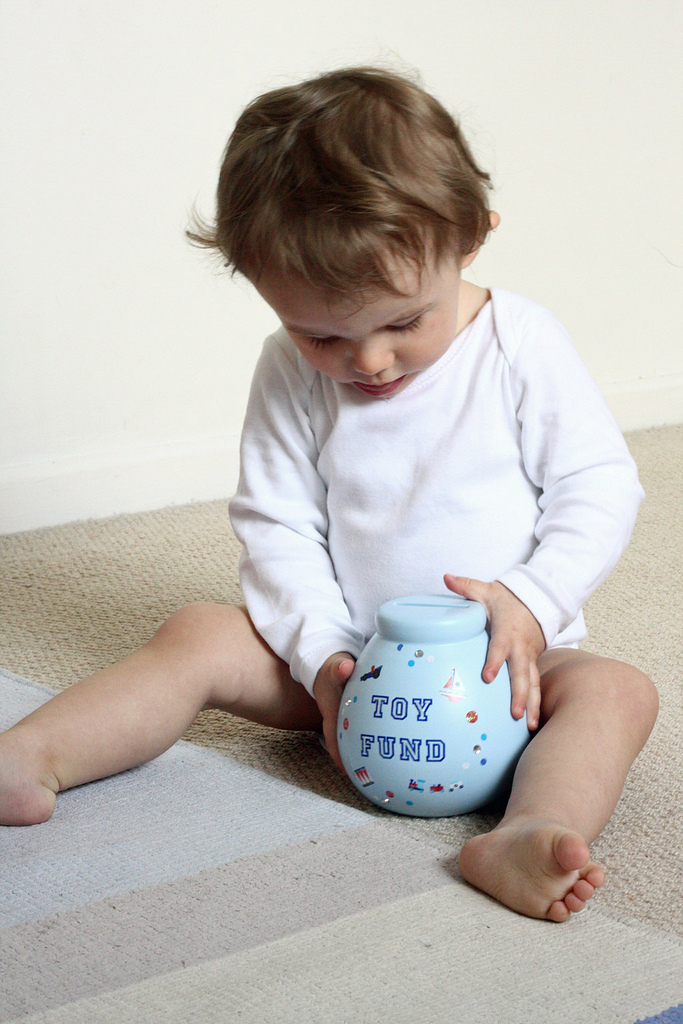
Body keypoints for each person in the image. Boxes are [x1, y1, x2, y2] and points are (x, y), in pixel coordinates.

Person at [0, 67, 658, 923]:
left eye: (402, 322)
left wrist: (530, 604)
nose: (369, 362)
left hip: (505, 677)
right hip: (343, 670)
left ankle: (528, 826)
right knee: (198, 631)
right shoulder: (286, 372)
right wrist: (322, 661)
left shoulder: (518, 344)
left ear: (471, 238)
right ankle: (33, 754)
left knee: (617, 692)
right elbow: (277, 525)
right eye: (321, 334)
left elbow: (598, 486)